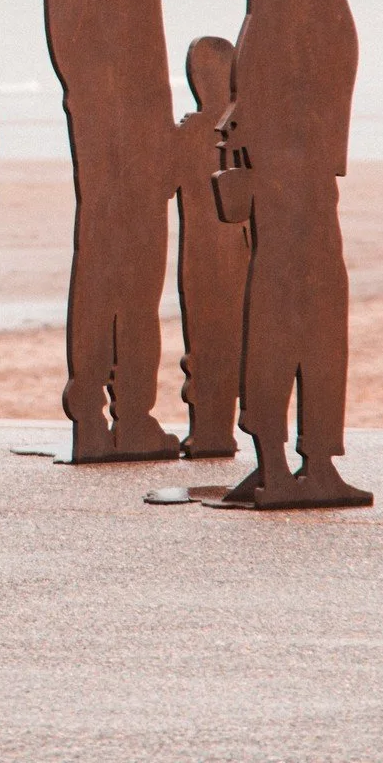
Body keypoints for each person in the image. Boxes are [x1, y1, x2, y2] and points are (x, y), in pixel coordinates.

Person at [217, 0, 383, 508]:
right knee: (307, 296)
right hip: (296, 145)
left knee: (288, 292)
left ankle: (284, 456)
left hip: (296, 139)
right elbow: (276, 31)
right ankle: (297, 461)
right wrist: (273, 135)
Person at [42, 0, 179, 462]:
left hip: (136, 122)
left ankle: (129, 412)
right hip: (112, 128)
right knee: (109, 264)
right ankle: (98, 405)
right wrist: (117, 120)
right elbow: (77, 34)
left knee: (137, 267)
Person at [173, 36, 249, 458]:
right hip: (237, 252)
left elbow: (158, 182)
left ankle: (210, 430)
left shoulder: (194, 131)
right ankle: (217, 430)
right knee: (228, 342)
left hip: (205, 257)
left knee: (206, 345)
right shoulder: (243, 129)